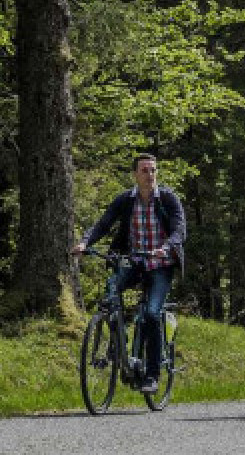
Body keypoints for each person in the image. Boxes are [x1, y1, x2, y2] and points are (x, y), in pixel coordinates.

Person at [71, 153, 186, 394]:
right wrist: (84, 243)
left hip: (160, 265)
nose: (150, 175)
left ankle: (152, 375)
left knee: (152, 314)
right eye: (144, 170)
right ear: (135, 174)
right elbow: (103, 224)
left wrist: (165, 248)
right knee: (111, 292)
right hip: (133, 262)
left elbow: (179, 230)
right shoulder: (125, 200)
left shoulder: (168, 199)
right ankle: (118, 342)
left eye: (153, 170)